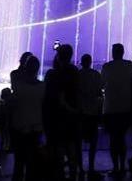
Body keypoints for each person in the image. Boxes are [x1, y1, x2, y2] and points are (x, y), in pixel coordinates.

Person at [43, 43, 82, 180]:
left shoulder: (52, 74)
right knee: (72, 153)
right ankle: (73, 176)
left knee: (57, 154)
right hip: (71, 118)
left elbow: (47, 97)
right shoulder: (75, 72)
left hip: (56, 119)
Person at [9, 54, 45, 181]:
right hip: (36, 128)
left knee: (19, 163)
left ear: (25, 68)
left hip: (20, 127)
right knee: (32, 164)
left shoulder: (19, 86)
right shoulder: (42, 87)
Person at [101, 43, 132, 176]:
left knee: (114, 139)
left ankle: (115, 168)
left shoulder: (107, 67)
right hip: (126, 107)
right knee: (121, 138)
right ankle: (122, 166)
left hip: (110, 108)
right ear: (123, 52)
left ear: (113, 53)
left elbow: (101, 84)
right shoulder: (129, 66)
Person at [77, 53, 104, 176]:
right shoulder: (96, 75)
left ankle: (80, 168)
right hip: (93, 113)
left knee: (78, 142)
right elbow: (100, 93)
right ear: (91, 62)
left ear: (82, 63)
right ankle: (91, 168)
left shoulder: (77, 75)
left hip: (81, 113)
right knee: (93, 143)